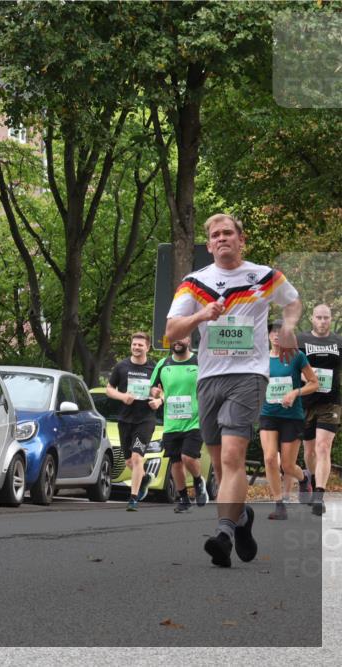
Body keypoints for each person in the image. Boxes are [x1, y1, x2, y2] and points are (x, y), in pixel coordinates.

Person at [166, 213, 302, 567]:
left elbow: (293, 301)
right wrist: (200, 316)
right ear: (209, 245)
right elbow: (171, 330)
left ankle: (224, 534)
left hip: (248, 375)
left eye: (229, 233)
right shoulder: (195, 282)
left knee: (231, 457)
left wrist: (287, 328)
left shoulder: (263, 276)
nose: (222, 238)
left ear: (242, 240)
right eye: (215, 235)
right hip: (209, 377)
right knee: (223, 471)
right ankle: (241, 520)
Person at [260, 320, 318, 520]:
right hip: (268, 414)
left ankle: (304, 478)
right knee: (269, 458)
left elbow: (314, 383)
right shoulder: (260, 359)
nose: (276, 335)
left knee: (287, 465)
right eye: (273, 332)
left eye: (280, 332)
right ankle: (279, 504)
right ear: (268, 336)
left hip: (291, 417)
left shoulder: (296, 356)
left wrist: (295, 392)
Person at [149, 335, 207, 513]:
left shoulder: (199, 361)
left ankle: (198, 481)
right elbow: (153, 388)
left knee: (188, 457)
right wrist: (156, 392)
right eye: (174, 338)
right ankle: (183, 498)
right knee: (175, 463)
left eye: (182, 338)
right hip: (172, 422)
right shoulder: (163, 364)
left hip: (195, 420)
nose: (178, 341)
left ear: (189, 340)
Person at [106, 332, 159, 511]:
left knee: (137, 458)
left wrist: (158, 399)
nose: (136, 347)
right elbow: (109, 389)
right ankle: (144, 479)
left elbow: (164, 390)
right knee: (129, 461)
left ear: (147, 347)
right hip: (125, 419)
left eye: (140, 345)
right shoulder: (121, 366)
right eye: (134, 344)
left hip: (145, 419)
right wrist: (123, 397)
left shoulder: (154, 368)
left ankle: (133, 498)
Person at [298, 304, 341, 516]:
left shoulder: (338, 342)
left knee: (323, 446)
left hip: (331, 402)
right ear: (312, 319)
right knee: (309, 450)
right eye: (319, 318)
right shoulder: (301, 340)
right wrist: (303, 376)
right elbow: (292, 366)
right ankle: (312, 480)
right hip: (306, 402)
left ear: (331, 319)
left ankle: (319, 495)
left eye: (326, 318)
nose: (323, 321)